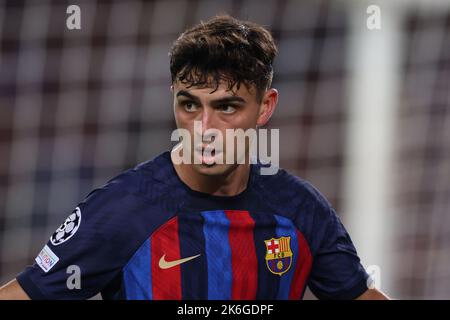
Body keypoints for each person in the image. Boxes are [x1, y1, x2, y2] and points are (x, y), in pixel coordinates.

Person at [0, 15, 389, 300]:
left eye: (227, 107)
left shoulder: (301, 209)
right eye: (189, 105)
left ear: (265, 107)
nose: (204, 127)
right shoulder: (124, 209)